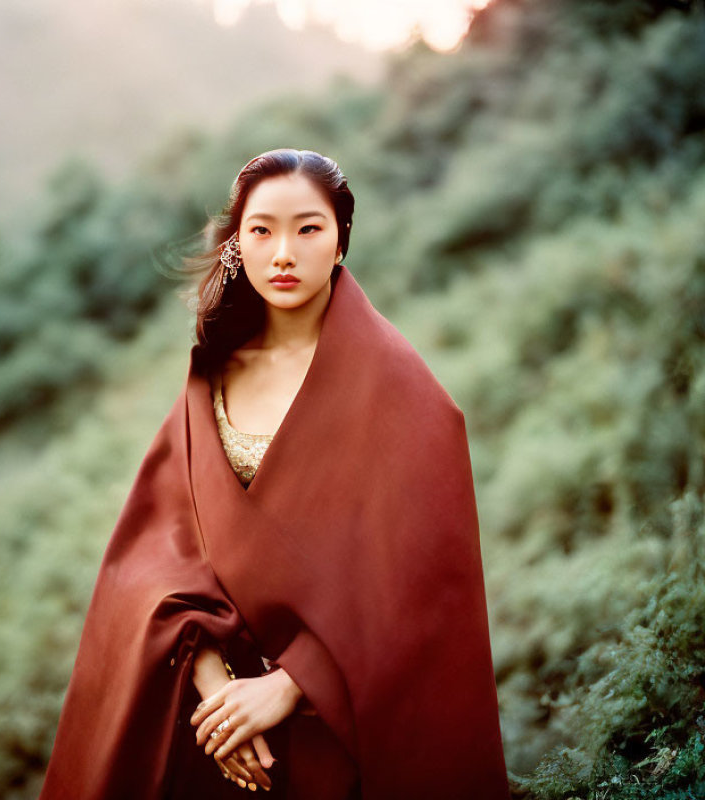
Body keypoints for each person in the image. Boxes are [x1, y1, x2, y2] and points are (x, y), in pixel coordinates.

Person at [38, 149, 510, 800]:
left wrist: (287, 687)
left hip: (338, 733)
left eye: (308, 228)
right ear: (237, 243)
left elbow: (420, 584)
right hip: (218, 730)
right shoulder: (214, 370)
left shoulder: (400, 393)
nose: (283, 252)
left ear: (342, 239)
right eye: (261, 230)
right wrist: (217, 689)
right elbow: (162, 552)